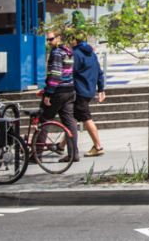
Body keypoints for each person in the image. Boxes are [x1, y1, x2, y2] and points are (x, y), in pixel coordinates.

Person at [43, 29, 79, 161]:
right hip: (69, 90)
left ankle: (37, 154)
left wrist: (48, 92)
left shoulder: (57, 52)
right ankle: (74, 154)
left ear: (58, 38)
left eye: (51, 39)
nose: (49, 42)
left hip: (58, 92)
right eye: (47, 40)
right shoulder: (68, 51)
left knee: (44, 120)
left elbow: (56, 74)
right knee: (70, 123)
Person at [72, 36, 106, 157]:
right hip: (89, 90)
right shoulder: (92, 54)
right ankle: (61, 146)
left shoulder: (75, 53)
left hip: (80, 90)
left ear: (75, 40)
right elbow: (99, 72)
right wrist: (100, 88)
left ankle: (98, 146)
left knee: (86, 118)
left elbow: (71, 72)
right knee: (74, 118)